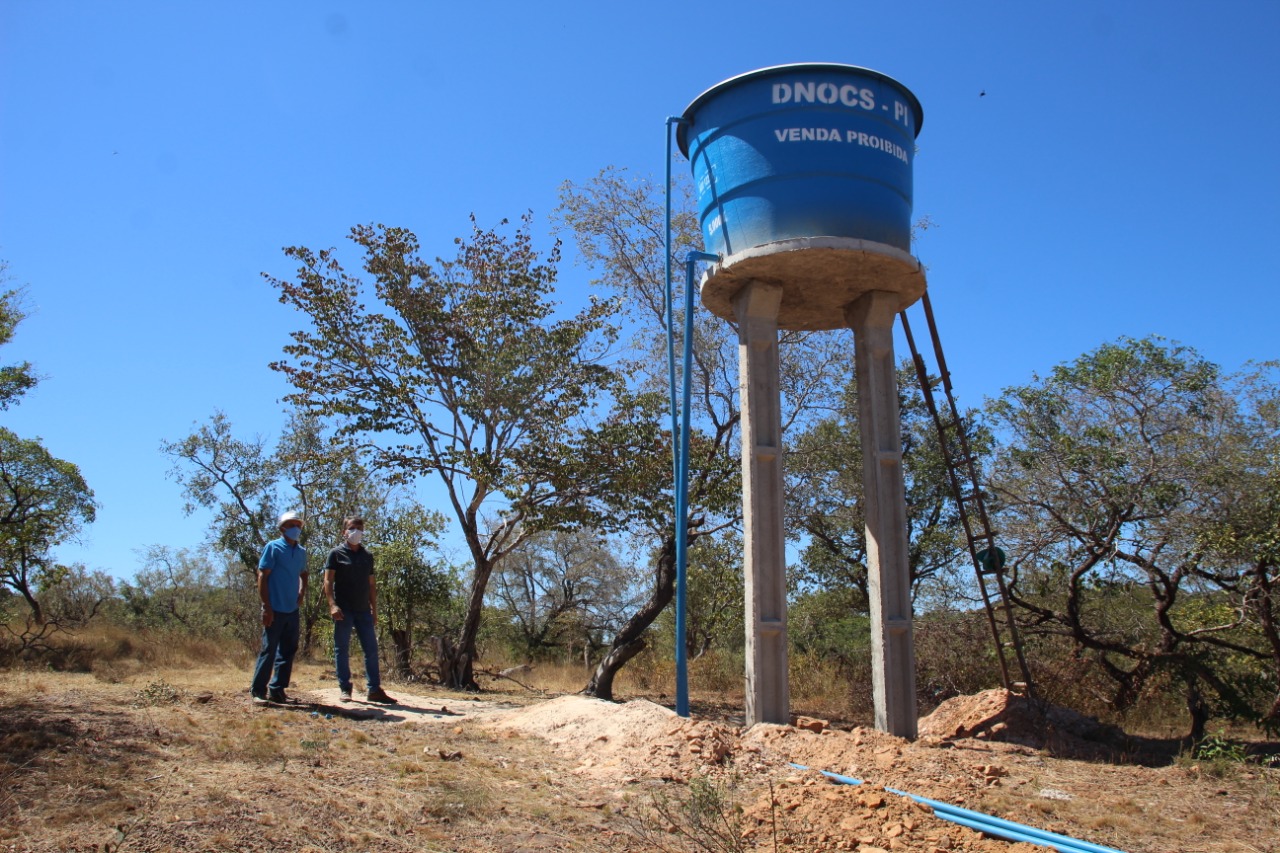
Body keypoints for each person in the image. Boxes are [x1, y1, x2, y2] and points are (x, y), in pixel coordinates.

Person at [324, 515, 395, 704]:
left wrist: (374, 609)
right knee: (342, 650)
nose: (357, 532)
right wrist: (332, 604)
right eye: (353, 528)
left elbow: (372, 585)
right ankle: (345, 689)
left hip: (364, 610)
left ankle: (374, 690)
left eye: (360, 528)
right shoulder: (336, 554)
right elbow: (328, 581)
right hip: (343, 610)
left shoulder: (367, 556)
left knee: (371, 649)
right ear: (344, 532)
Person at [251, 511, 309, 705]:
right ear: (282, 528)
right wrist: (266, 607)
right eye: (291, 525)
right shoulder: (273, 547)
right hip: (274, 608)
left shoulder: (301, 552)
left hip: (291, 610)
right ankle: (258, 691)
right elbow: (262, 576)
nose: (296, 529)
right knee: (269, 650)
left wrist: (301, 593)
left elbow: (304, 574)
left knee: (288, 650)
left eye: (298, 525)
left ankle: (278, 690)